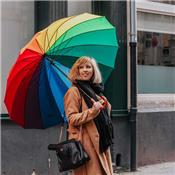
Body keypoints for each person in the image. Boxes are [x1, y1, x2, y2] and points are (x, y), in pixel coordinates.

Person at [64, 56, 114, 175]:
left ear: (93, 70)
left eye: (88, 67)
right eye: (81, 67)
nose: (85, 70)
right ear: (77, 71)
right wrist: (93, 111)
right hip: (86, 144)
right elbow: (71, 118)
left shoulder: (94, 90)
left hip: (100, 142)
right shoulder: (73, 92)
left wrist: (105, 104)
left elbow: (104, 115)